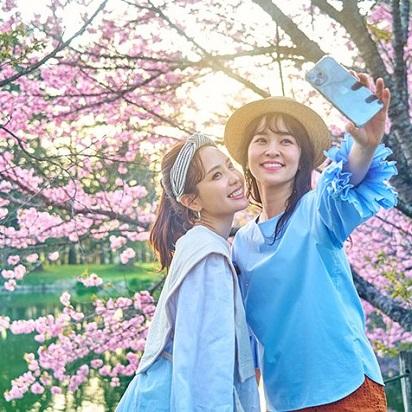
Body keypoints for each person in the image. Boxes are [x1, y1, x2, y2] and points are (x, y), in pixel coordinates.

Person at [223, 74, 397, 411]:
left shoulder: (317, 210)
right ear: (247, 154)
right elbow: (249, 337)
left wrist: (365, 146)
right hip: (284, 400)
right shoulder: (242, 242)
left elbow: (347, 181)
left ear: (302, 157)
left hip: (345, 390)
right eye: (261, 140)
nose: (272, 150)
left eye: (286, 141)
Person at [116, 133, 260, 411]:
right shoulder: (209, 258)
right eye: (216, 175)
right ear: (192, 201)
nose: (233, 178)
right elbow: (207, 366)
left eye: (229, 166)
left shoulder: (199, 244)